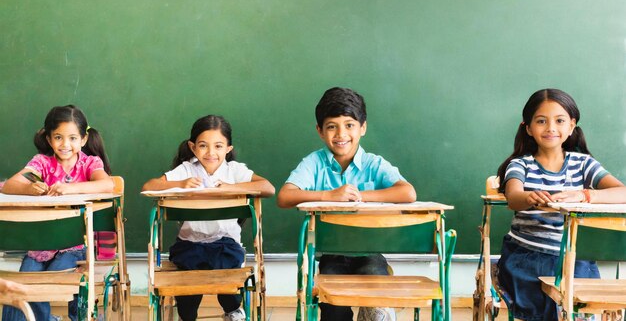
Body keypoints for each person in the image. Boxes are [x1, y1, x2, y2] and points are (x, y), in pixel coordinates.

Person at [277, 87, 416, 321]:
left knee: (377, 300)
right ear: (320, 131)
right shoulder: (314, 163)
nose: (341, 134)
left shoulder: (374, 163)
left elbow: (408, 192)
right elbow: (284, 196)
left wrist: (357, 196)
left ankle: (375, 310)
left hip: (370, 252)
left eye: (349, 125)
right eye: (332, 126)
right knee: (333, 305)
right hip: (331, 254)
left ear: (363, 127)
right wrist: (328, 195)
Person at [495, 88, 626, 321]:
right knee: (544, 313)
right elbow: (513, 196)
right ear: (528, 128)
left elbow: (623, 191)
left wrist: (585, 195)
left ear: (571, 125)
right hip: (527, 258)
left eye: (559, 120)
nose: (551, 128)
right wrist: (529, 197)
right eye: (541, 121)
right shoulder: (521, 164)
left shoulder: (583, 164)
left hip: (575, 260)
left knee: (575, 310)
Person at [142, 114, 275, 321]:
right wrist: (178, 184)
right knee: (187, 299)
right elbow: (149, 186)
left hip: (226, 245)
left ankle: (233, 311)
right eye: (203, 146)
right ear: (193, 147)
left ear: (228, 149)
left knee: (229, 290)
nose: (211, 152)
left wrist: (233, 188)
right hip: (189, 245)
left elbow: (267, 188)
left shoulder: (234, 171)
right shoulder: (186, 170)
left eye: (219, 146)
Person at [1, 105, 114, 321]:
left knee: (49, 282)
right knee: (20, 286)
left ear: (83, 139)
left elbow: (107, 185)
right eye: (58, 137)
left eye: (72, 138)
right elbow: (10, 185)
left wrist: (69, 188)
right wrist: (28, 189)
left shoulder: (90, 163)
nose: (65, 144)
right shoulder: (42, 164)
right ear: (49, 139)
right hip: (41, 245)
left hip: (75, 247)